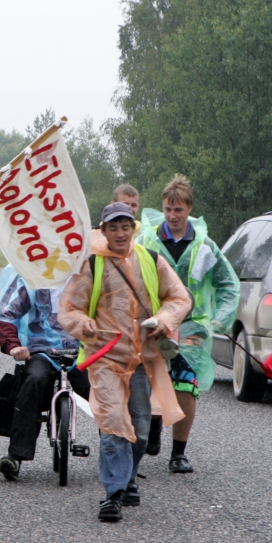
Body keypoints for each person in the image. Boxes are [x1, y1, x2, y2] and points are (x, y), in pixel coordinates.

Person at [59, 202, 191, 522]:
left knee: (141, 429)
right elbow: (69, 308)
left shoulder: (151, 260)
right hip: (105, 359)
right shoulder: (92, 265)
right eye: (113, 227)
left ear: (133, 228)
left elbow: (179, 297)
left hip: (144, 359)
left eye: (125, 226)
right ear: (103, 231)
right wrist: (83, 324)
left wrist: (163, 318)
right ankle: (113, 493)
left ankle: (129, 476)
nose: (120, 233)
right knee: (114, 423)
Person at [139, 175, 238, 474]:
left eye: (179, 210)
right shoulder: (146, 242)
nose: (172, 216)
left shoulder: (204, 246)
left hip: (192, 326)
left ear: (189, 209)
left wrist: (220, 319)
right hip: (153, 324)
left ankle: (178, 453)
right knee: (151, 381)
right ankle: (154, 423)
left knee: (185, 384)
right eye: (168, 209)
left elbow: (228, 285)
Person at [0, 266, 90, 481]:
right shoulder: (33, 274)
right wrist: (13, 345)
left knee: (103, 391)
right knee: (33, 381)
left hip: (84, 350)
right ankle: (16, 456)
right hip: (42, 350)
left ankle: (118, 454)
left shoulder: (89, 272)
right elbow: (8, 312)